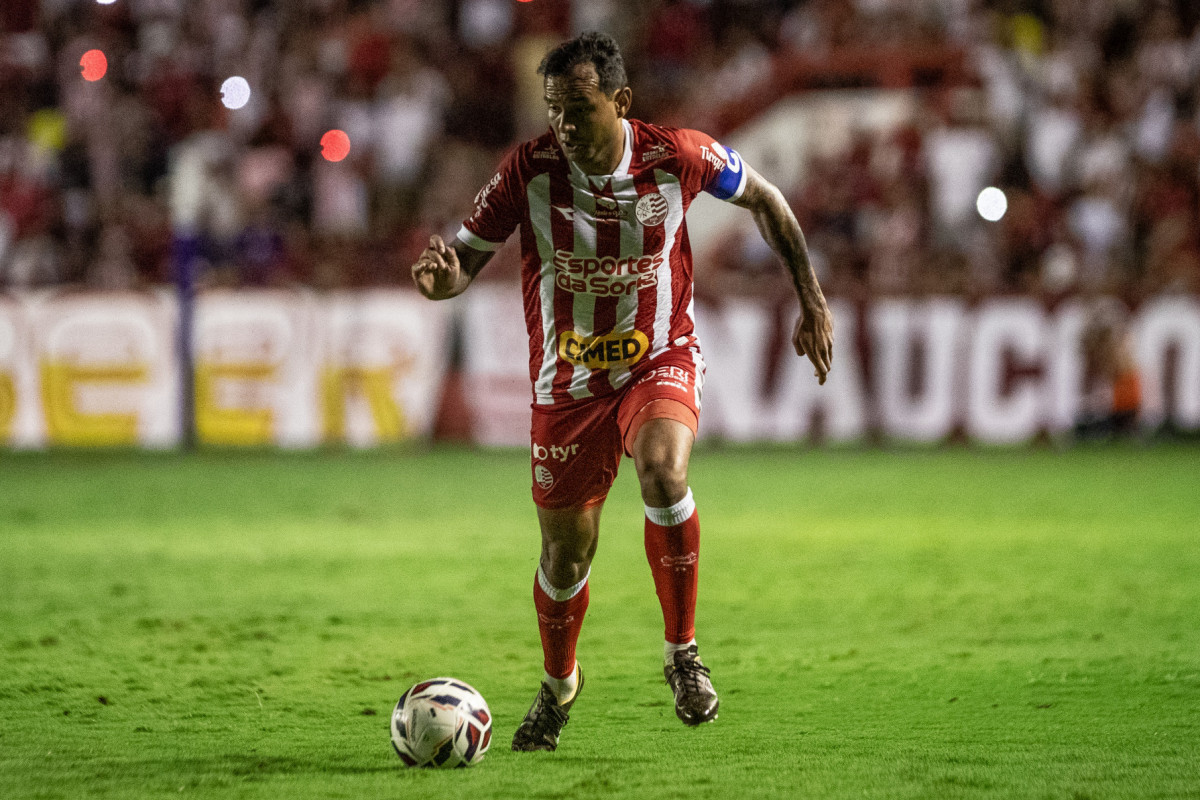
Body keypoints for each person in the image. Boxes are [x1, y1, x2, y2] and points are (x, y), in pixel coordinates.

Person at [411, 31, 833, 752]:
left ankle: (683, 655)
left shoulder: (679, 156)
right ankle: (559, 686)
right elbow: (463, 267)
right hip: (568, 387)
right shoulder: (528, 169)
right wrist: (440, 279)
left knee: (665, 470)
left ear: (620, 101)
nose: (566, 128)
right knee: (565, 558)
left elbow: (767, 199)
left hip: (656, 357)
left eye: (579, 109)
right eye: (554, 111)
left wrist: (812, 301)